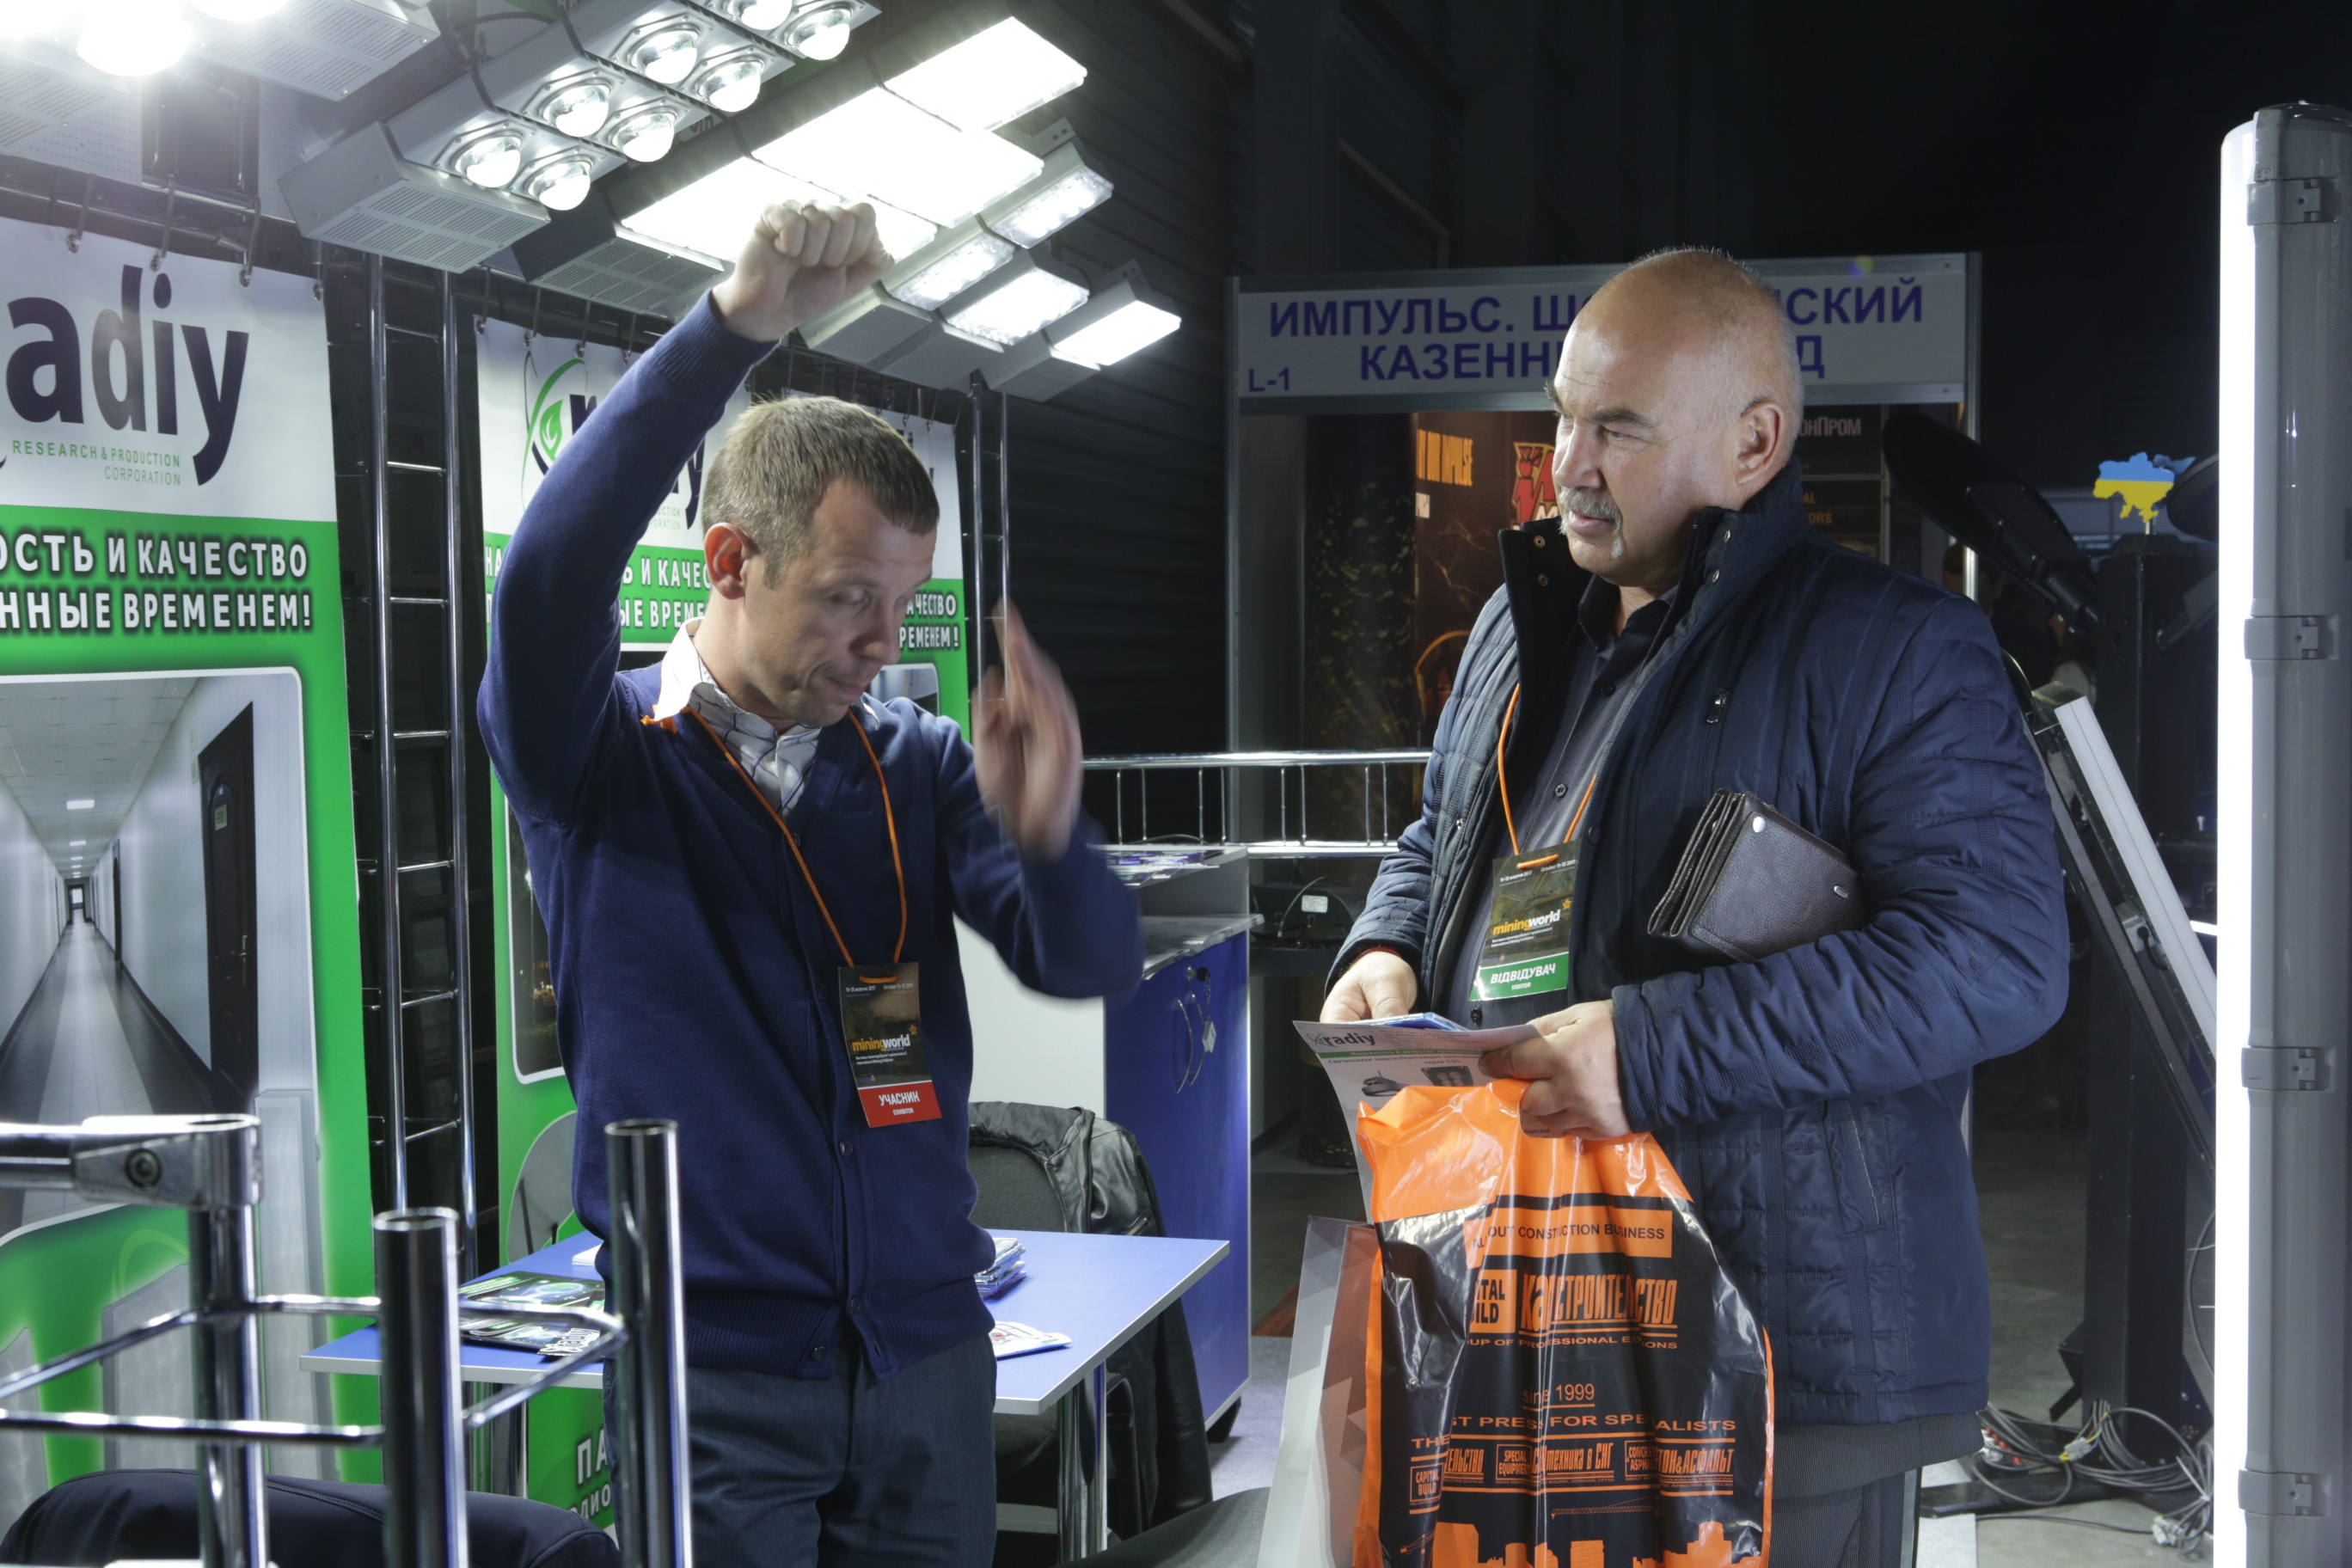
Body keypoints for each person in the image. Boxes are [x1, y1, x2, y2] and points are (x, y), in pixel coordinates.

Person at [1324, 248, 2067, 1565]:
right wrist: (1385, 940)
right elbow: (1445, 832)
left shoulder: (1892, 648)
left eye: (1618, 429)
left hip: (1777, 1354)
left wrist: (1650, 1048)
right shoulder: (1518, 626)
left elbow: (1994, 959)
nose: (1569, 465)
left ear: (1754, 444)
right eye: (1563, 416)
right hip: (1514, 1300)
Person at [479, 199, 1143, 1568]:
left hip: (925, 1360)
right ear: (731, 561)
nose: (883, 643)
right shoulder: (598, 754)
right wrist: (732, 329)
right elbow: (546, 574)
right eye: (849, 599)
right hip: (712, 1382)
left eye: (900, 605)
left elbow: (1086, 963)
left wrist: (1050, 835)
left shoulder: (918, 761)